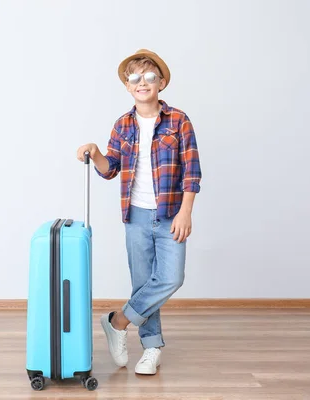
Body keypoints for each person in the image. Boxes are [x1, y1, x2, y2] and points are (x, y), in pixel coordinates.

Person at [76, 49, 202, 375]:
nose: (142, 82)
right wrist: (95, 152)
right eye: (135, 78)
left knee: (171, 278)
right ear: (128, 86)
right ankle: (152, 348)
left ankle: (117, 321)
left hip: (171, 213)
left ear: (160, 82)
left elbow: (191, 172)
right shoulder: (123, 124)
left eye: (149, 77)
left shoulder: (179, 121)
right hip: (136, 216)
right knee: (144, 283)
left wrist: (185, 213)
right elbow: (109, 168)